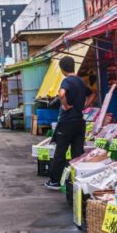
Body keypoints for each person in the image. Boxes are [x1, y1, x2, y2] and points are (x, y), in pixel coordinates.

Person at [45, 56, 92, 192]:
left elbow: (61, 94)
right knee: (77, 153)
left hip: (66, 122)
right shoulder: (81, 81)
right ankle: (77, 181)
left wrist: (65, 105)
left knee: (60, 152)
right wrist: (85, 105)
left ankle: (54, 181)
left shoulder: (66, 81)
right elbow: (92, 94)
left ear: (62, 69)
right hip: (79, 122)